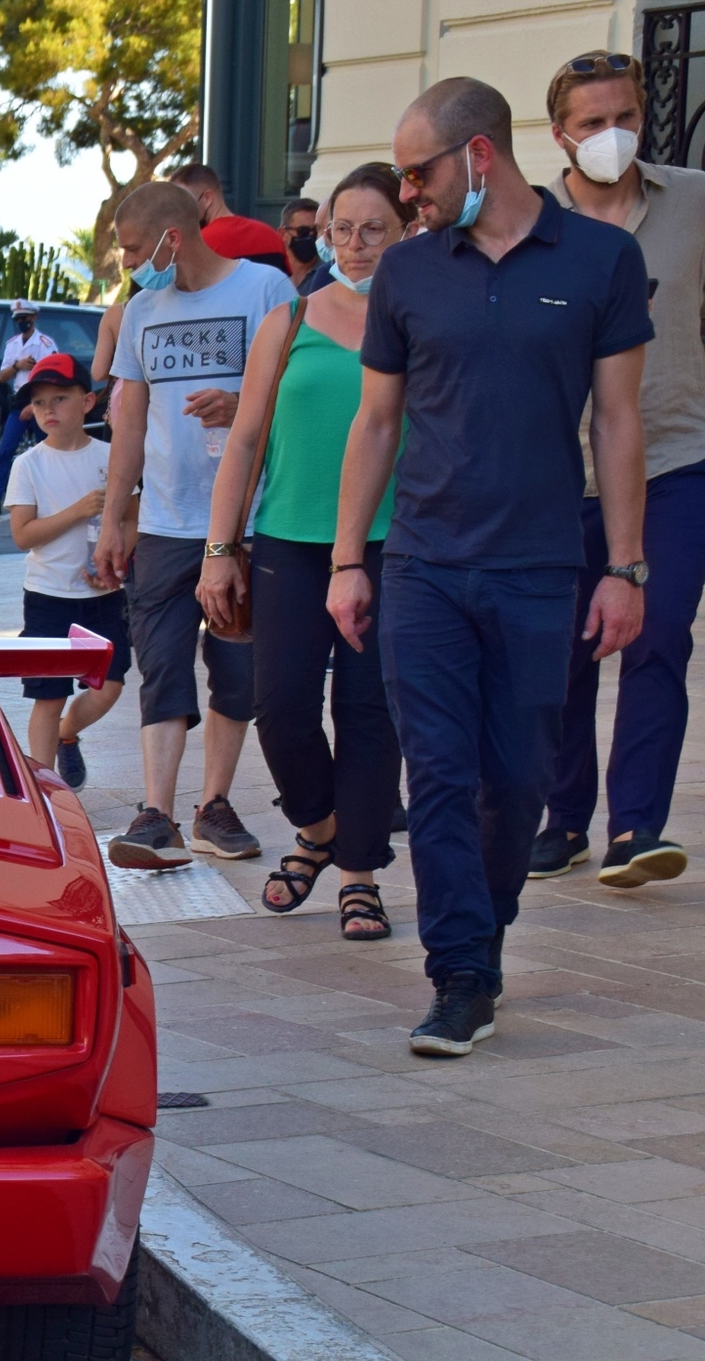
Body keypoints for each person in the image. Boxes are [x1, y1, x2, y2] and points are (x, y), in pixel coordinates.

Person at [331, 76, 650, 1058]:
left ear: (475, 156)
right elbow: (374, 421)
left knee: (513, 782)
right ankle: (457, 973)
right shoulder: (409, 273)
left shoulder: (601, 258)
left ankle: (485, 929)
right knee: (436, 771)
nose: (407, 195)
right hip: (423, 563)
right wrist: (349, 560)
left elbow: (618, 420)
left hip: (538, 567)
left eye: (415, 173)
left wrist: (624, 569)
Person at [201, 163, 414, 944]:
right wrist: (220, 547)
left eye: (374, 230)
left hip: (394, 547)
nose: (355, 247)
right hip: (289, 541)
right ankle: (319, 829)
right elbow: (247, 438)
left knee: (369, 712)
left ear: (406, 231)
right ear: (322, 233)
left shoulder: (424, 318)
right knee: (281, 706)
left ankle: (357, 871)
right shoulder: (288, 320)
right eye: (341, 230)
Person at [529, 49, 705, 892]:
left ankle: (637, 825)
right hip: (560, 470)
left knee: (659, 635)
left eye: (625, 116)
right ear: (560, 134)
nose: (612, 134)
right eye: (594, 122)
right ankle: (563, 821)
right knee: (563, 650)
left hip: (676, 456)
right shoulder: (530, 222)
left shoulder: (696, 201)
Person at [96, 180, 297, 869]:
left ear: (170, 239)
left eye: (130, 248)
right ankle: (156, 812)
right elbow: (129, 421)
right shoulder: (140, 311)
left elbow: (298, 388)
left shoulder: (265, 289)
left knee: (236, 666)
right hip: (164, 521)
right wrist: (115, 515)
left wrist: (240, 401)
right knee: (161, 664)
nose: (126, 263)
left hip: (247, 516)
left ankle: (214, 805)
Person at [4, 354, 127, 787]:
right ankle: (45, 788)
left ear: (88, 401)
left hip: (105, 595)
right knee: (48, 695)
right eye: (39, 403)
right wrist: (77, 511)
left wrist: (118, 559)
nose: (49, 410)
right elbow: (23, 534)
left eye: (60, 398)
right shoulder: (29, 464)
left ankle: (67, 734)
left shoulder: (114, 457)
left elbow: (130, 517)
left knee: (109, 686)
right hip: (47, 596)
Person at [0, 299, 59, 513]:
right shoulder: (13, 344)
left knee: (49, 451)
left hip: (40, 402)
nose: (22, 322)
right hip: (19, 401)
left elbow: (52, 377)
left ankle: (55, 495)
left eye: (26, 318)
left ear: (34, 318)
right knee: (5, 449)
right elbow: (2, 377)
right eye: (19, 319)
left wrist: (37, 404)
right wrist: (17, 365)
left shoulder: (45, 344)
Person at [174, 163, 293, 275]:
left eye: (184, 202)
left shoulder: (199, 244)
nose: (179, 210)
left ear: (207, 199)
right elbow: (286, 287)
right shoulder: (271, 236)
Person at [278, 197, 325, 290]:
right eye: (303, 231)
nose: (311, 236)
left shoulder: (329, 274)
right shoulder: (271, 274)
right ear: (283, 234)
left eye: (316, 230)